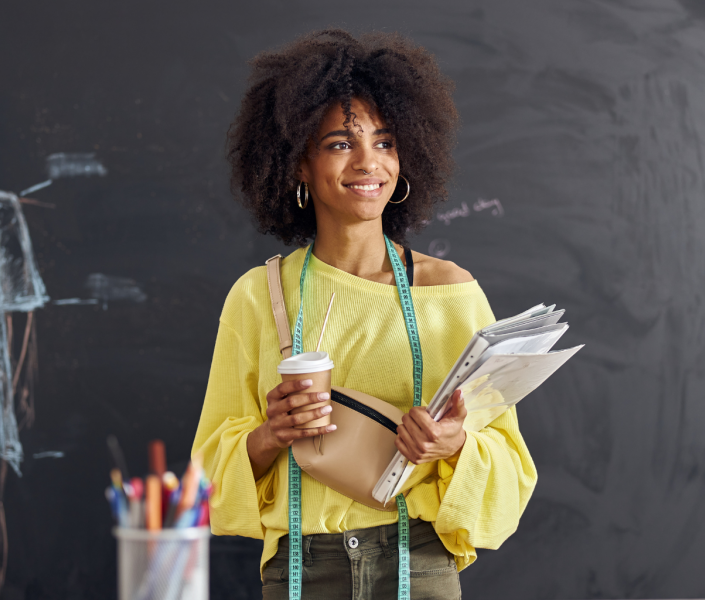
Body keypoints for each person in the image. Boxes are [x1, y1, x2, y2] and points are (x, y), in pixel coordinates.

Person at [192, 29, 537, 599]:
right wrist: (271, 435)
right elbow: (205, 482)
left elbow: (510, 465)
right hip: (304, 571)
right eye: (338, 144)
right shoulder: (257, 297)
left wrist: (452, 446)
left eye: (385, 142)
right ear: (298, 164)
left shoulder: (451, 293)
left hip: (418, 565)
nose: (368, 162)